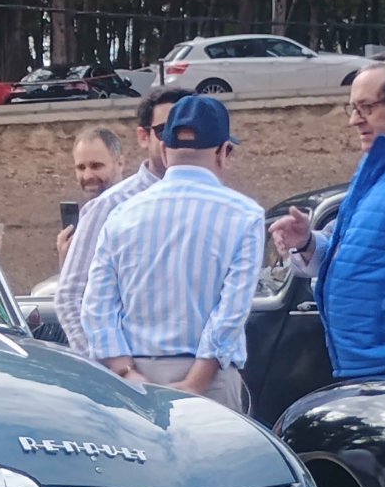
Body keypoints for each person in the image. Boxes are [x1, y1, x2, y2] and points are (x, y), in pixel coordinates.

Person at [79, 95, 264, 413]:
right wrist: (195, 383)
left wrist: (126, 372)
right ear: (224, 152)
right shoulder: (245, 215)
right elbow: (231, 313)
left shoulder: (122, 214)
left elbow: (95, 308)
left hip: (133, 378)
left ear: (164, 150)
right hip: (211, 381)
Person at [268, 63, 385, 379]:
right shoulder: (381, 164)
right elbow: (356, 251)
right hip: (375, 361)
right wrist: (306, 242)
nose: (355, 121)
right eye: (353, 109)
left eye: (367, 108)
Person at [55, 87, 192, 351]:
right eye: (165, 130)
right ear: (144, 136)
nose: (177, 139)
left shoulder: (223, 207)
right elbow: (71, 296)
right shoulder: (109, 206)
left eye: (188, 130)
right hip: (137, 372)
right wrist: (108, 370)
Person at [55, 126, 126, 263]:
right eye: (81, 168)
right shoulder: (88, 215)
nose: (87, 176)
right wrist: (67, 260)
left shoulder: (135, 212)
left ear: (120, 163)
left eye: (96, 166)